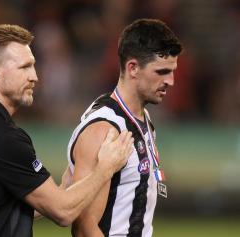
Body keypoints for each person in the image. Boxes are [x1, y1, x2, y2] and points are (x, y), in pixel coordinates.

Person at [0, 24, 134, 237]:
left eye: (33, 66)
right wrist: (106, 168)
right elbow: (63, 212)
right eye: (24, 67)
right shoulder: (3, 138)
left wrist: (60, 192)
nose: (34, 76)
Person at [67, 18, 182, 237]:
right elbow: (84, 229)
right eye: (162, 72)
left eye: (172, 71)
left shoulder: (142, 117)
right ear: (133, 68)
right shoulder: (103, 130)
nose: (171, 81)